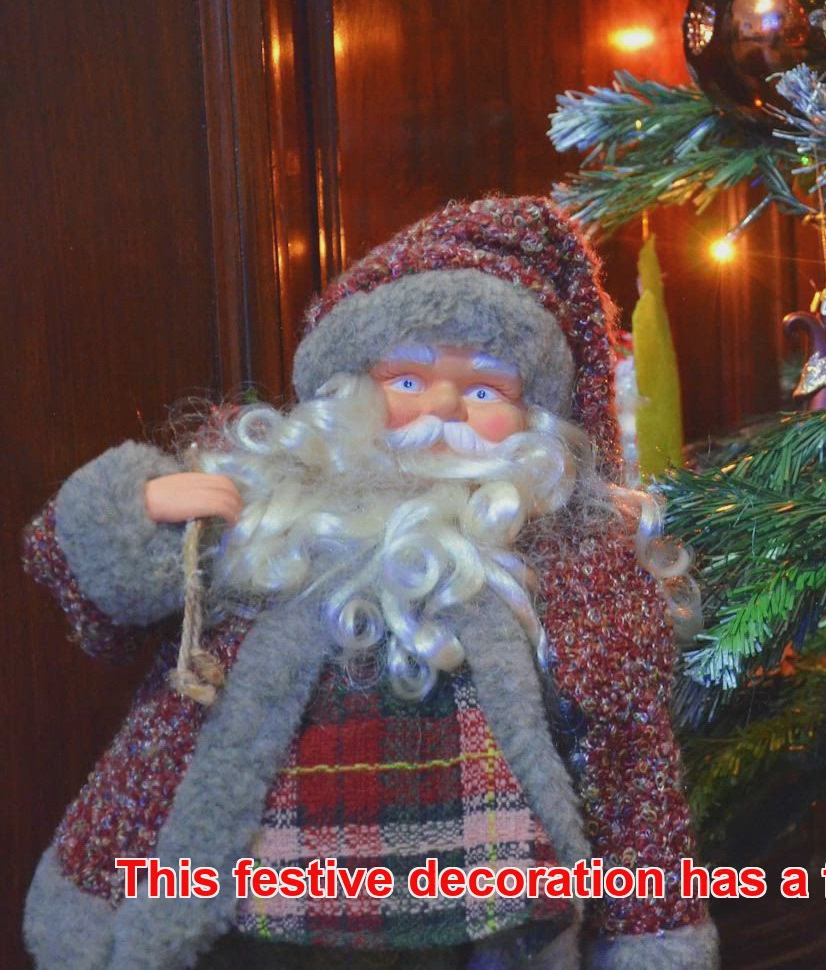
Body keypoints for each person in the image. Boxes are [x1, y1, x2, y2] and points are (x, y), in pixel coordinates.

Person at [20, 197, 715, 969]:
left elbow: (628, 760)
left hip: (474, 894)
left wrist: (650, 931)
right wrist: (136, 512)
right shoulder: (270, 510)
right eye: (409, 379)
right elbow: (86, 596)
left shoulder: (570, 563)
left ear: (534, 427)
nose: (443, 407)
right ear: (349, 392)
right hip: (255, 894)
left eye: (484, 390)